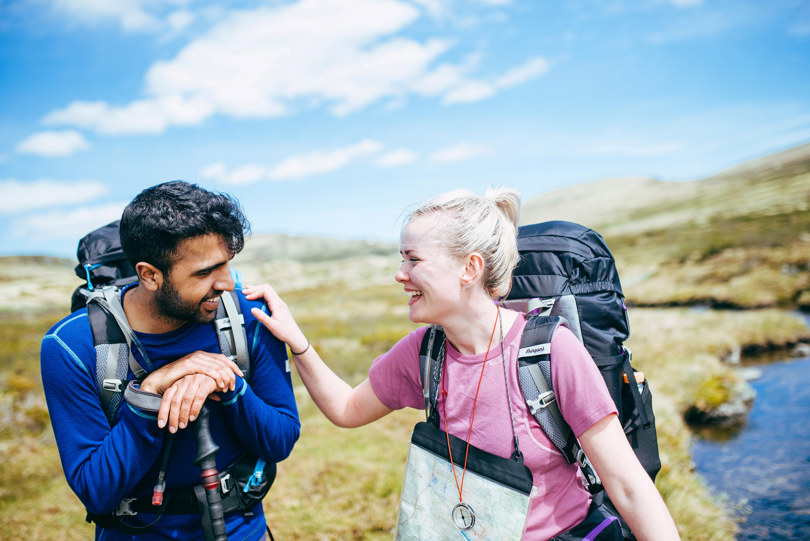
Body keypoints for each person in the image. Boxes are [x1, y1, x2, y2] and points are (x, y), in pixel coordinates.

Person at [243, 187, 680, 540]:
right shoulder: (423, 353)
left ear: (470, 268)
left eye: (413, 259)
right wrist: (296, 341)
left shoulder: (550, 353)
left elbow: (628, 488)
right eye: (401, 258)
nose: (399, 273)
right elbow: (345, 409)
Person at [41, 180, 300, 540]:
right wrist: (149, 393)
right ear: (149, 275)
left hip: (243, 529)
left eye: (226, 264)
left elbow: (281, 440)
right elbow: (96, 491)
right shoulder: (71, 345)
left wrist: (228, 382)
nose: (226, 283)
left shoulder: (248, 315)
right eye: (205, 272)